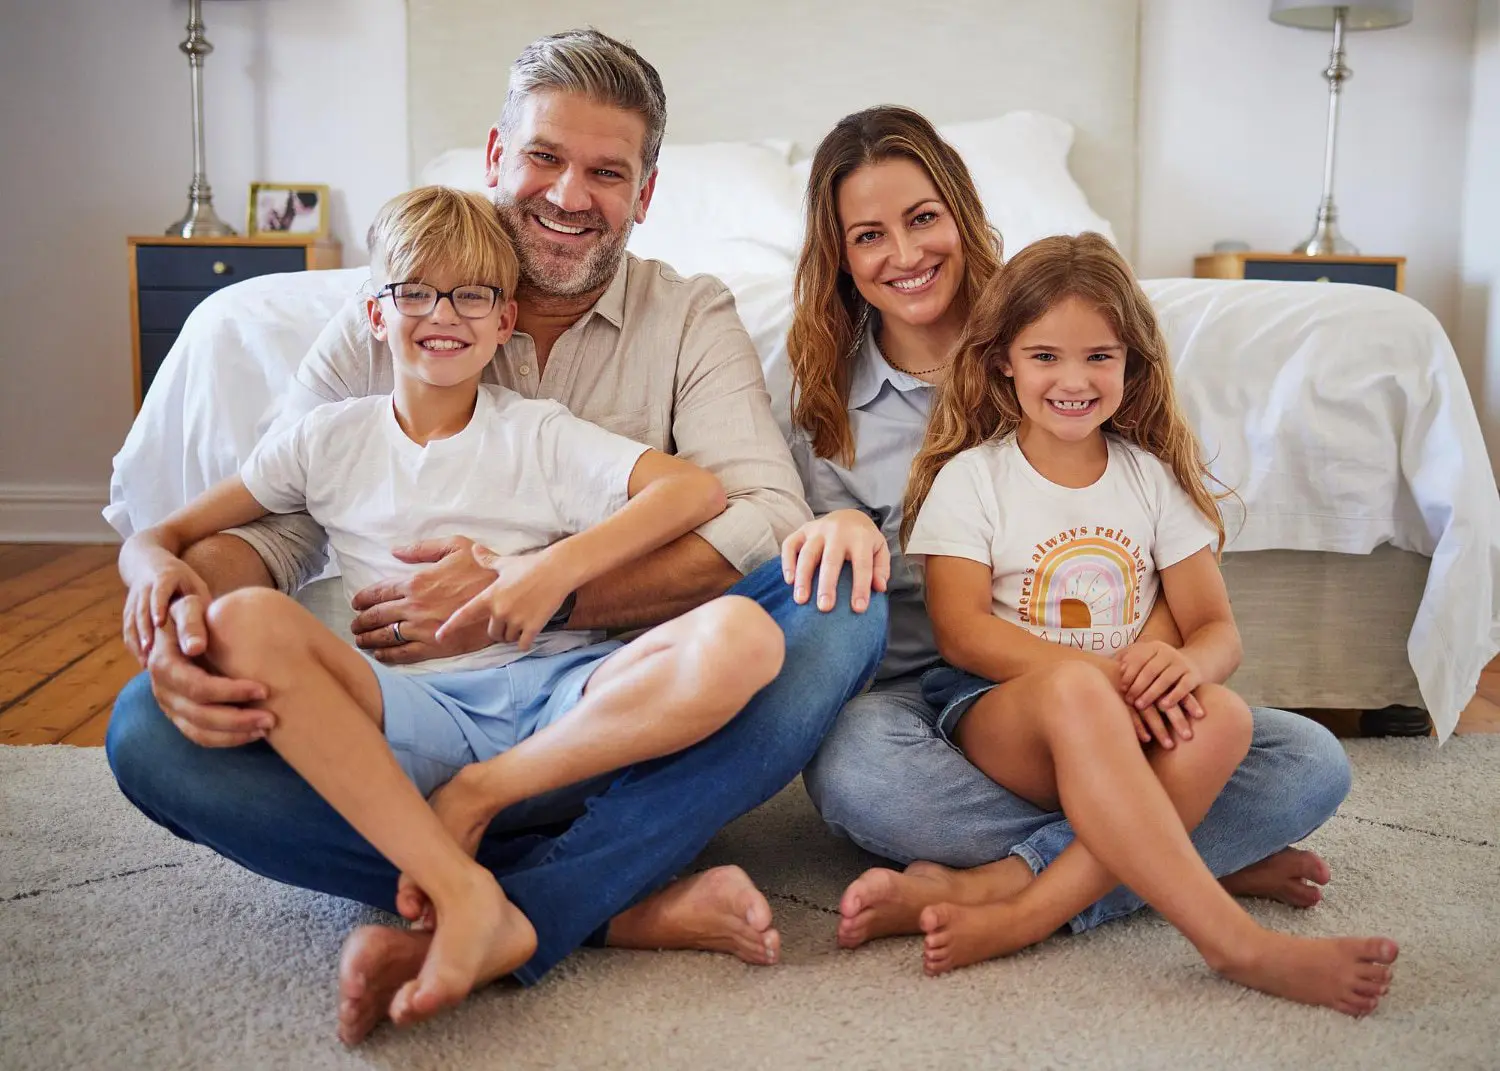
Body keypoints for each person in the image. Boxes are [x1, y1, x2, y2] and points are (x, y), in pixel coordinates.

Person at [105, 30, 887, 1045]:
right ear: (494, 158)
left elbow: (764, 523)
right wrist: (189, 627)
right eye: (545, 158)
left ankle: (512, 899)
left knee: (839, 602)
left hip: (616, 718)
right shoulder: (383, 312)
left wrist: (545, 590)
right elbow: (270, 524)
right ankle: (595, 899)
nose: (569, 195)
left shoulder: (692, 316)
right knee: (148, 733)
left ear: (644, 195)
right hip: (405, 726)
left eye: (607, 172)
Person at [779, 106, 1356, 963]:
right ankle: (1177, 852)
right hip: (942, 708)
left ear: (962, 209)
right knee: (855, 770)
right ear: (839, 254)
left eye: (923, 217)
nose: (903, 254)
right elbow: (945, 626)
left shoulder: (1065, 323)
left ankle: (1018, 884)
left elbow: (1177, 579)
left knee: (1309, 759)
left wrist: (1143, 678)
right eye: (869, 235)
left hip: (1120, 689)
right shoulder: (820, 396)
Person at [897, 231, 1397, 1015]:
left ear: (1133, 364)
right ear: (1002, 359)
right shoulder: (975, 478)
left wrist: (1189, 670)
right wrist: (1109, 676)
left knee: (1228, 719)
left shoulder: (1149, 477)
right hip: (1008, 715)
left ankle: (1024, 898)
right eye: (1045, 356)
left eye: (1100, 356)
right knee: (1073, 696)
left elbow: (1216, 630)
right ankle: (1234, 935)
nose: (1074, 378)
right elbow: (961, 633)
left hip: (1129, 721)